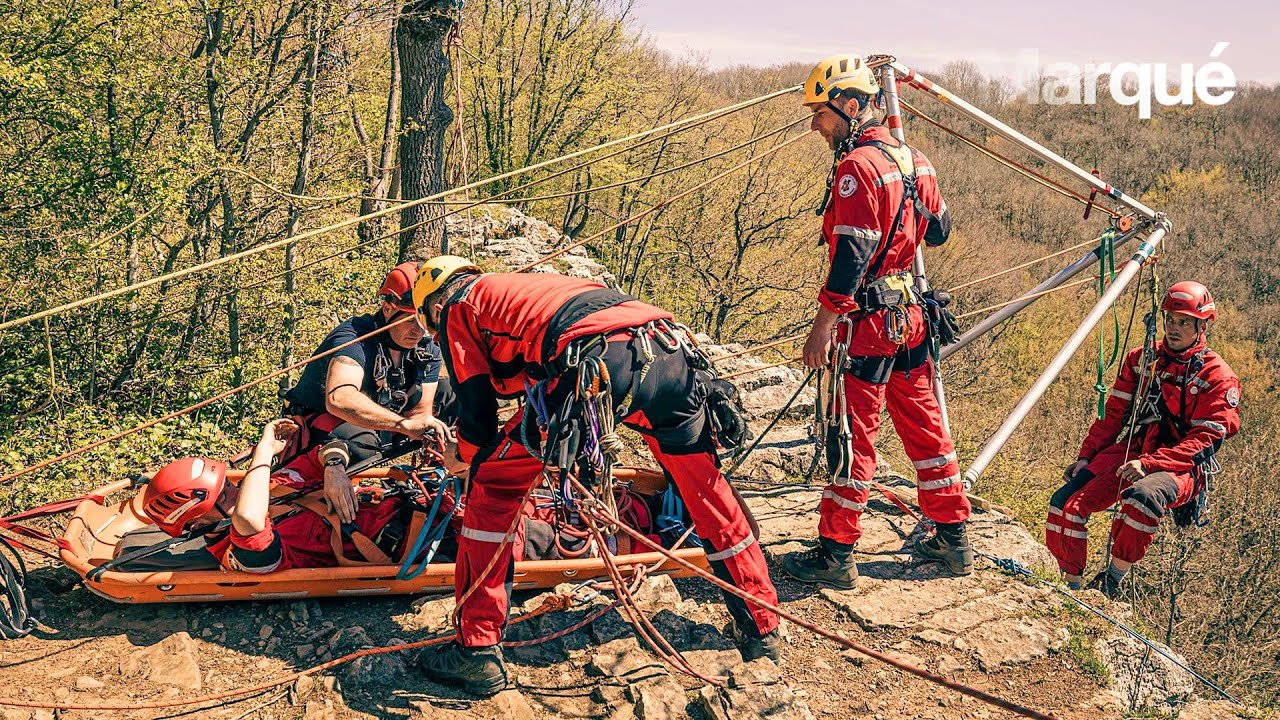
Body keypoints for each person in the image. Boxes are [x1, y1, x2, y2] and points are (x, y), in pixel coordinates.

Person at [409, 256, 782, 697]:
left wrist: (464, 456)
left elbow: (477, 408)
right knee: (706, 493)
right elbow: (525, 368)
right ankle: (762, 627)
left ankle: (476, 649)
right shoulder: (527, 285)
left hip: (597, 366)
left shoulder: (458, 305)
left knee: (493, 482)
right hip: (667, 351)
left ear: (432, 306)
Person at [781, 53, 971, 589]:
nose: (815, 124)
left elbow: (852, 254)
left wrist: (823, 323)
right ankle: (953, 537)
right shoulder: (916, 160)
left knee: (853, 432)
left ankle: (836, 552)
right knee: (924, 424)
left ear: (848, 104)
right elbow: (938, 232)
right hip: (911, 316)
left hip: (867, 323)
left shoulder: (856, 168)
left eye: (820, 112)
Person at [1046, 281, 1241, 597]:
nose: (1174, 328)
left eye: (1183, 322)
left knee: (1142, 498)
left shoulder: (1216, 376)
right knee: (1065, 502)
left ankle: (1111, 581)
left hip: (1182, 465)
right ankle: (1068, 585)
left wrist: (1150, 464)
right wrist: (1087, 455)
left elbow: (1205, 441)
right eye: (1170, 320)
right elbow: (1113, 415)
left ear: (1202, 325)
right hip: (1135, 449)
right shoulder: (1143, 360)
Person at [283, 261, 456, 523]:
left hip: (387, 430)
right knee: (360, 438)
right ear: (387, 308)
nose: (418, 330)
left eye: (422, 321)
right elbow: (339, 398)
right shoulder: (354, 337)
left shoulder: (426, 347)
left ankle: (449, 474)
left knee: (453, 394)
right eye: (410, 320)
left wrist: (426, 429)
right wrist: (403, 424)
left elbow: (422, 412)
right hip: (329, 435)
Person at [140, 419, 418, 572]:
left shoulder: (270, 484)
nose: (238, 491)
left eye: (230, 485)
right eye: (223, 498)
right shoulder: (238, 553)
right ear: (199, 525)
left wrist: (334, 467)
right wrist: (263, 451)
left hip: (408, 501)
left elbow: (326, 449)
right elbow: (248, 519)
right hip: (413, 538)